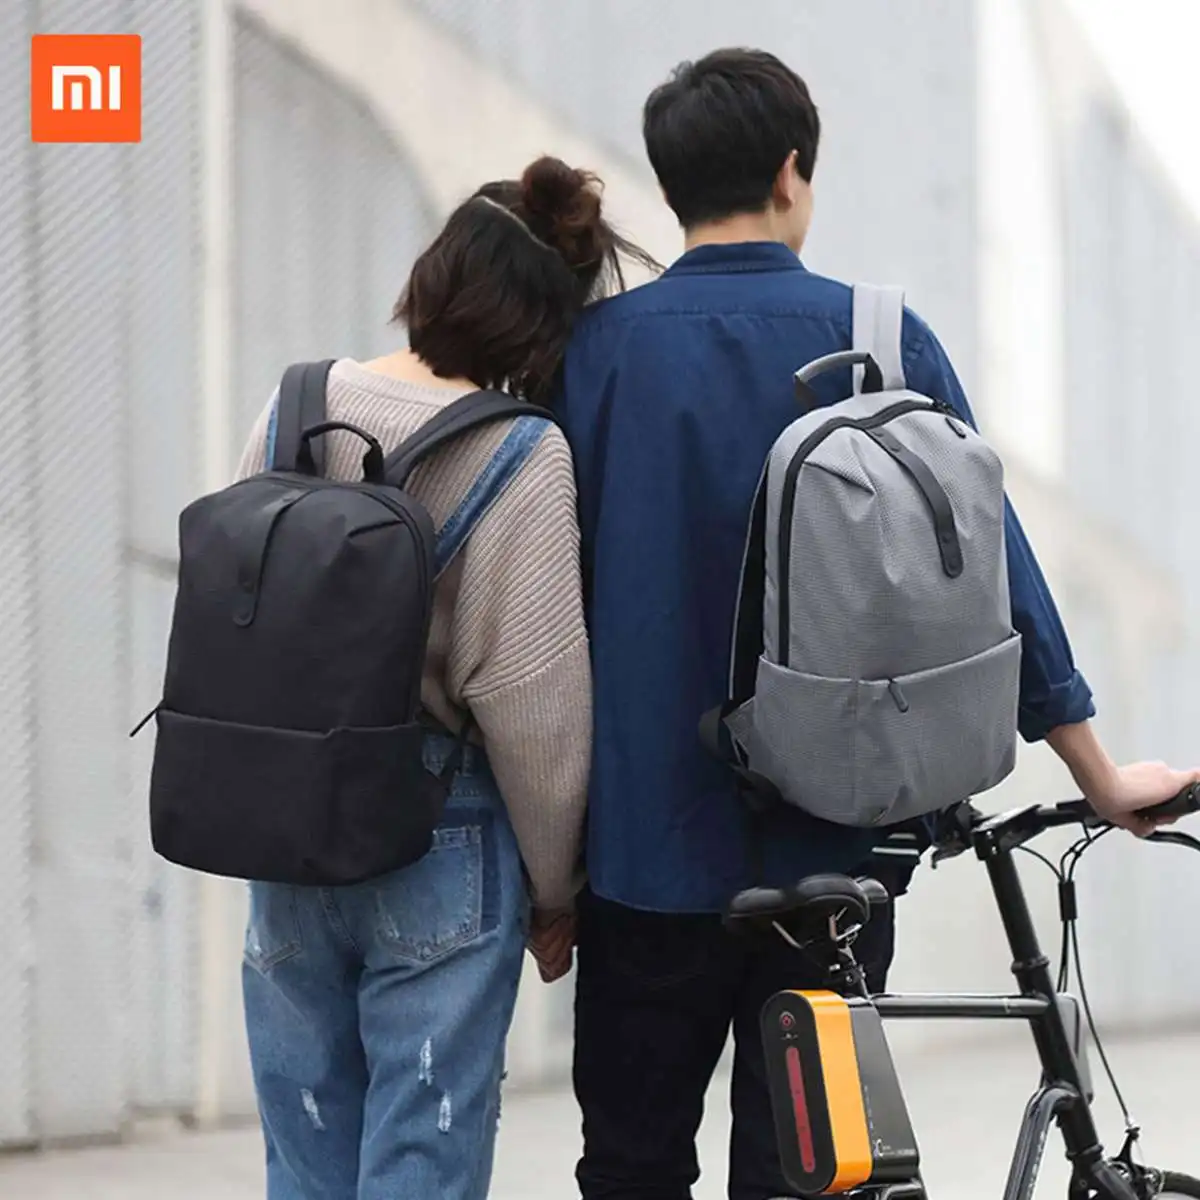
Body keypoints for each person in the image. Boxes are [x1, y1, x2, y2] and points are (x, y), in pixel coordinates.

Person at [554, 49, 1200, 1200]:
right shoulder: (883, 340)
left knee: (630, 1167)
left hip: (641, 860)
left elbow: (542, 606)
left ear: (671, 184)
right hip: (836, 865)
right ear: (791, 173)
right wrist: (1099, 776)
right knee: (812, 1178)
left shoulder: (595, 354)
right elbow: (1000, 582)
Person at [234, 156, 648, 1200]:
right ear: (546, 324)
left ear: (435, 272)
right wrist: (555, 893)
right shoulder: (522, 454)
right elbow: (535, 707)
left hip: (285, 827)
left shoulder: (297, 403)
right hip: (440, 835)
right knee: (422, 1162)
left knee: (304, 1161)